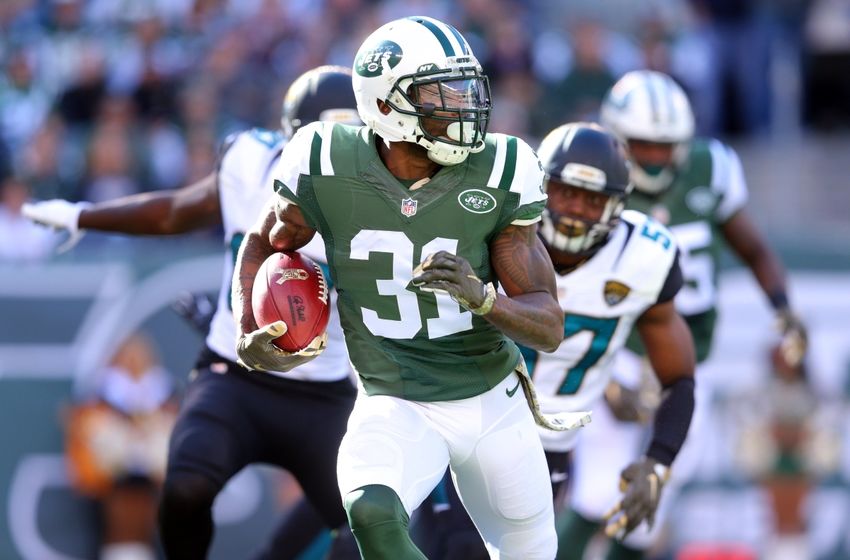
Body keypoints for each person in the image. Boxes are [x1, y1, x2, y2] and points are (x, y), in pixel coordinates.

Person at [232, 15, 580, 560]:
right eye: (441, 93)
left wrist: (484, 299)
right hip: (393, 396)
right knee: (371, 511)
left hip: (490, 400)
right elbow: (263, 241)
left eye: (464, 88)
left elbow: (549, 325)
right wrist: (247, 327)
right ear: (386, 104)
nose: (463, 105)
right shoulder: (324, 160)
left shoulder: (502, 169)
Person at [23, 66, 362, 560]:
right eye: (331, 140)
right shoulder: (250, 161)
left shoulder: (378, 207)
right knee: (186, 487)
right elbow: (176, 211)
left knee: (366, 524)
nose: (343, 157)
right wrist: (83, 215)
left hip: (323, 391)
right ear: (296, 137)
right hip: (235, 376)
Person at [409, 123, 697, 560]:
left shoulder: (645, 257)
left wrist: (658, 460)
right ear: (542, 186)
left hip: (549, 447)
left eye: (592, 199)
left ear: (618, 204)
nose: (576, 210)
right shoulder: (491, 226)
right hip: (467, 426)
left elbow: (679, 378)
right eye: (565, 193)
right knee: (455, 549)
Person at [556, 69, 809, 559]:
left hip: (690, 355)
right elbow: (563, 285)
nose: (654, 157)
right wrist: (603, 382)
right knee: (596, 493)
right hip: (619, 349)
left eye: (664, 146)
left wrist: (782, 307)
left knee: (653, 496)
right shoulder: (593, 181)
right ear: (616, 138)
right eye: (642, 145)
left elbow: (753, 248)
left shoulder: (710, 169)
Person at [64, 332, 178, 560]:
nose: (133, 363)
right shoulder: (97, 401)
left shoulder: (166, 400)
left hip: (153, 502)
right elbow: (87, 465)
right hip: (109, 502)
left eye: (139, 358)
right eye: (127, 358)